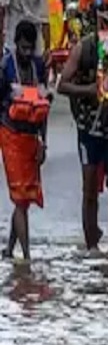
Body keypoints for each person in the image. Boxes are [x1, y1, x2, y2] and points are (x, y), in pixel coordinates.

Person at [57, 16, 108, 253]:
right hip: (88, 127)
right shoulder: (84, 47)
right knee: (90, 187)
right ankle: (91, 242)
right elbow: (62, 85)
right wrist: (89, 90)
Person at [0, 21, 50, 264]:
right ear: (16, 43)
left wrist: (44, 143)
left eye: (31, 48)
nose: (27, 53)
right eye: (23, 48)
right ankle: (27, 258)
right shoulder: (5, 67)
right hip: (10, 136)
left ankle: (10, 250)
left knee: (25, 199)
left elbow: (44, 108)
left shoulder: (39, 66)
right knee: (20, 198)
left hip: (31, 138)